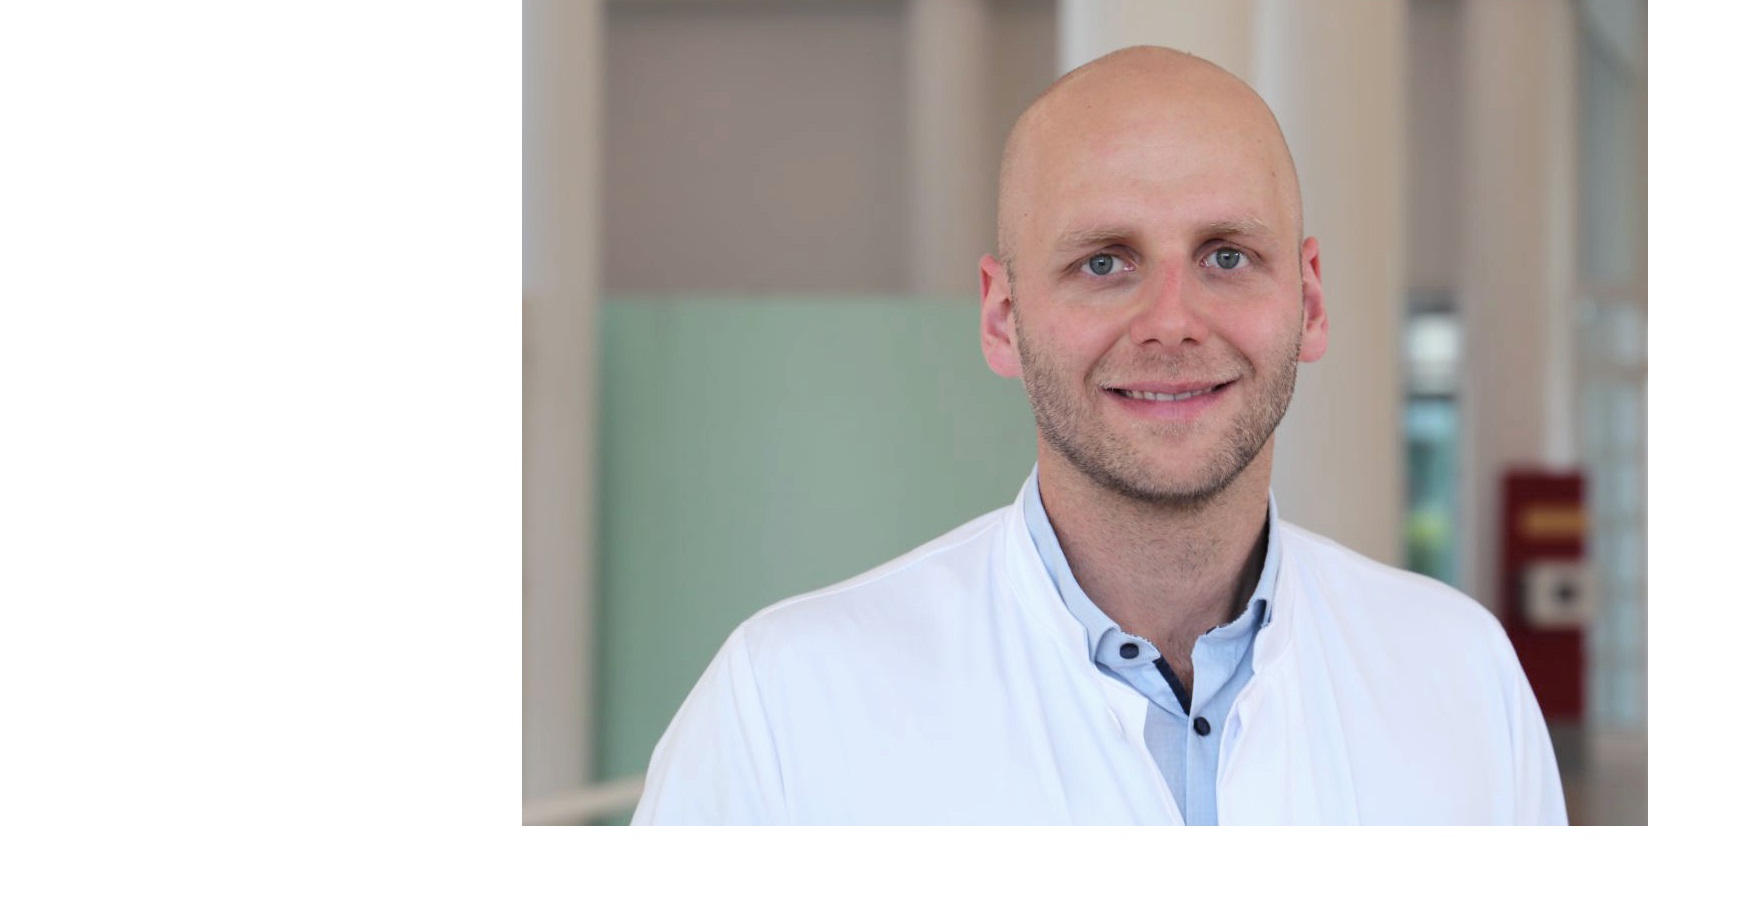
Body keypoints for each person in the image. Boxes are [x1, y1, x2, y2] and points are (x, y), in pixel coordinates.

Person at [631, 45, 1567, 825]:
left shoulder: (1463, 678)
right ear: (1002, 318)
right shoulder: (785, 709)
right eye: (1105, 263)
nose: (1172, 322)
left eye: (1227, 255)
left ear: (1310, 302)